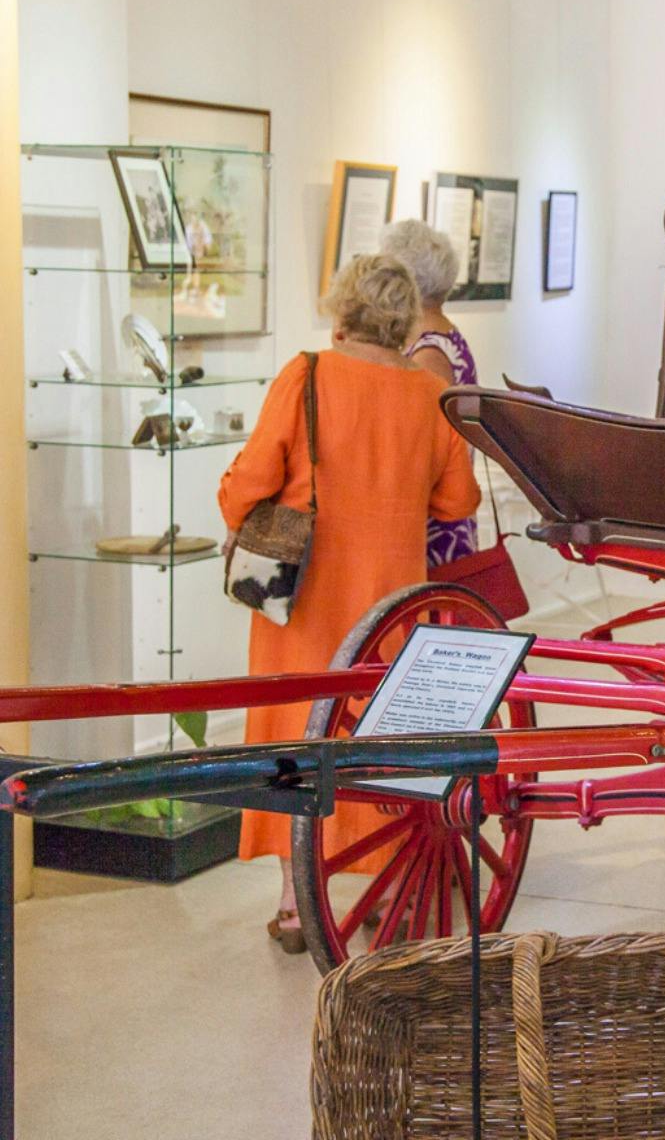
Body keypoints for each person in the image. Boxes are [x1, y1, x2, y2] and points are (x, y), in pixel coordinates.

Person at [218, 253, 480, 954]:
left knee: (293, 733)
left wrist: (235, 500)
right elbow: (458, 500)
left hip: (303, 602)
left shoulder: (306, 375)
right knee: (377, 736)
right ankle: (387, 885)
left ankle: (295, 904)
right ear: (403, 322)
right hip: (390, 604)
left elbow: (250, 481)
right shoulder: (427, 395)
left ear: (341, 313)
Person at [380, 218, 481, 566]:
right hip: (437, 508)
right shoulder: (439, 338)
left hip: (435, 519)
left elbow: (422, 443)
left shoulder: (429, 351)